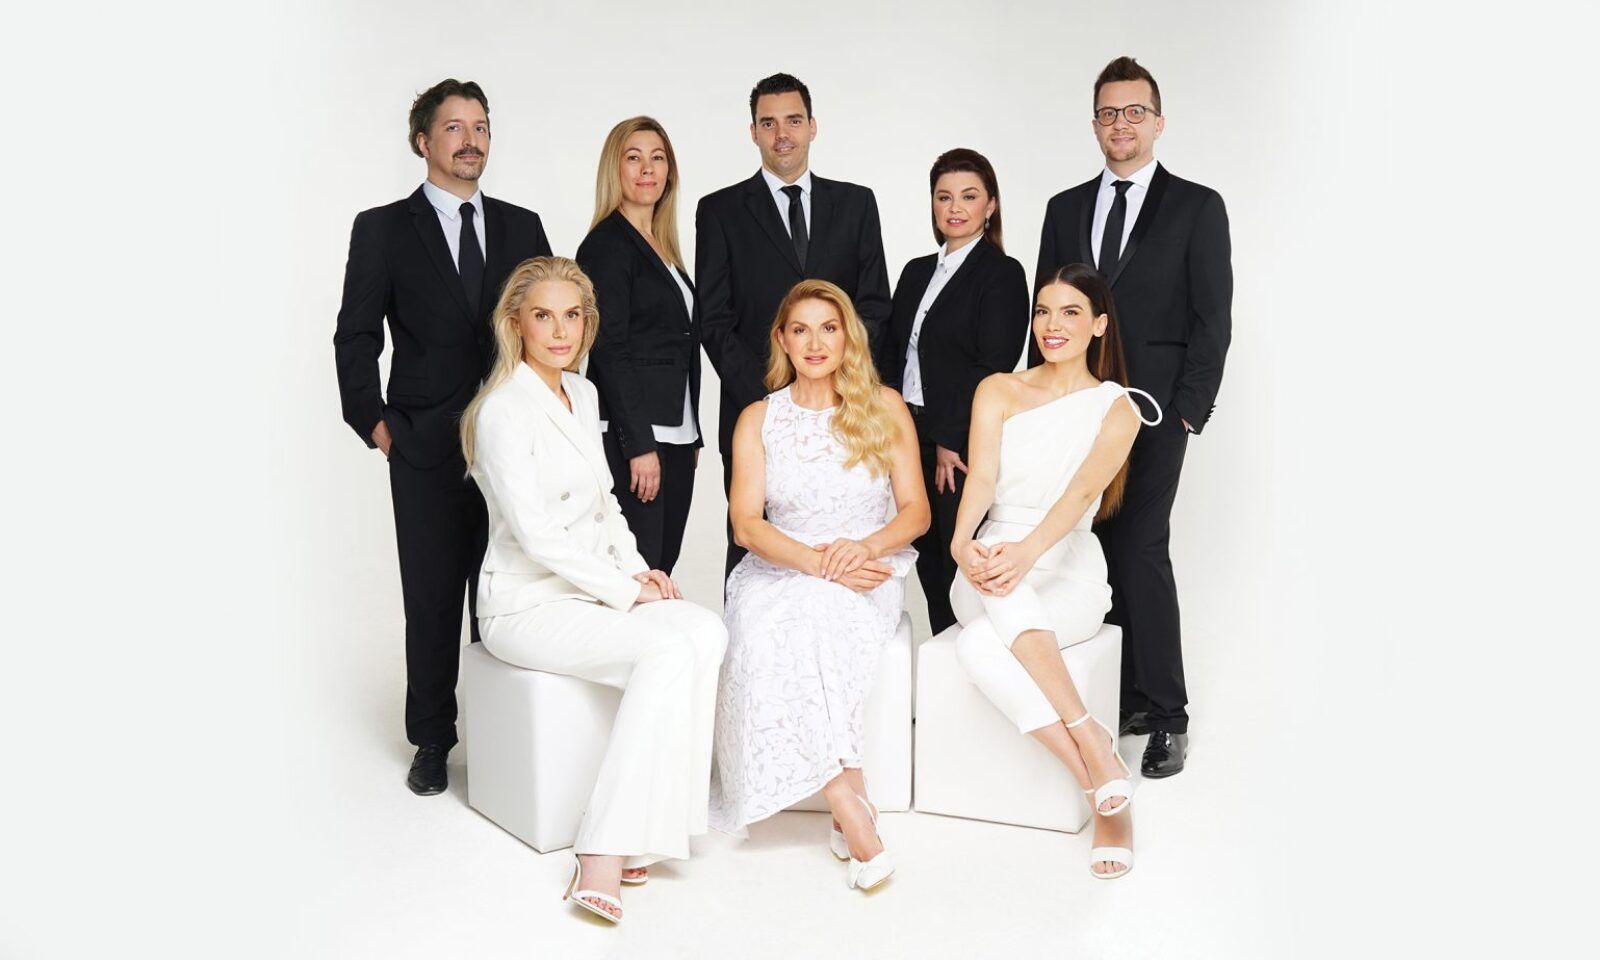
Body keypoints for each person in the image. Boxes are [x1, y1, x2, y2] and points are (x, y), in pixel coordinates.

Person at [461, 257, 727, 924]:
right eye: (543, 316)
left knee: (705, 631)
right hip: (525, 603)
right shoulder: (501, 410)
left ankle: (652, 829)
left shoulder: (582, 394)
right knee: (663, 650)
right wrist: (625, 593)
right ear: (516, 325)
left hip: (588, 590)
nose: (560, 331)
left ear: (587, 323)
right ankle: (603, 844)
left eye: (572, 316)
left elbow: (607, 504)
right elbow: (537, 535)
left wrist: (640, 572)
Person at [333, 79, 553, 796]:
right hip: (423, 444)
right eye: (455, 127)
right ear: (423, 141)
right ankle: (433, 739)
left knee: (509, 590)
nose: (471, 139)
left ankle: (504, 738)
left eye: (481, 126)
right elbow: (356, 334)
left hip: (511, 443)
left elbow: (552, 324)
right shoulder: (383, 229)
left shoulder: (522, 227)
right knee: (430, 597)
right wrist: (376, 424)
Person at [1035, 56, 1233, 777]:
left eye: (1134, 112)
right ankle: (1127, 698)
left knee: (1142, 548)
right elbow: (1046, 316)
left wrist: (1185, 414)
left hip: (1154, 415)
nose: (1121, 124)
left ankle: (1169, 715)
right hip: (1078, 410)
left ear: (1158, 121)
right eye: (1109, 112)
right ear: (1095, 124)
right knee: (1089, 550)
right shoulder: (1063, 209)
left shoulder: (1197, 207)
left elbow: (1213, 319)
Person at [710, 280, 928, 892]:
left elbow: (916, 512)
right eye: (800, 329)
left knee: (818, 615)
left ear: (847, 337)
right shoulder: (759, 418)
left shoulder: (884, 406)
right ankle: (849, 802)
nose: (815, 342)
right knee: (773, 622)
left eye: (828, 328)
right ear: (781, 339)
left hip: (866, 566)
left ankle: (846, 807)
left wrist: (866, 548)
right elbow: (746, 524)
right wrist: (815, 561)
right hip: (779, 566)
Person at [948, 263, 1163, 880]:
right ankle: (1096, 760)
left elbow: (1080, 496)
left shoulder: (1119, 407)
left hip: (1067, 565)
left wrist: (1028, 552)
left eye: (1071, 312)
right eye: (1043, 311)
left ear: (1099, 325)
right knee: (1001, 586)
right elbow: (982, 478)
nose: (1052, 325)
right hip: (990, 558)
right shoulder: (998, 389)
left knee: (979, 647)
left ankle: (1094, 780)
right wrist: (962, 543)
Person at [696, 72, 893, 575]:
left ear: (812, 126)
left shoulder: (857, 204)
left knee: (840, 537)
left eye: (793, 120)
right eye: (768, 123)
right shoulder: (719, 211)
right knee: (751, 544)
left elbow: (873, 306)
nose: (781, 133)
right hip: (755, 404)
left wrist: (839, 382)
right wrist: (769, 398)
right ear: (753, 132)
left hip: (844, 408)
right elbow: (714, 320)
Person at [885, 148, 1029, 635]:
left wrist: (951, 438)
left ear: (991, 205)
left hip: (959, 439)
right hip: (906, 430)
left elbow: (993, 365)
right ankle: (944, 655)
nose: (955, 207)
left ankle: (973, 650)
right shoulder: (915, 272)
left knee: (956, 553)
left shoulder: (1002, 274)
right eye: (944, 197)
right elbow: (892, 354)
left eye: (969, 196)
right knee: (924, 553)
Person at [578, 117, 701, 573]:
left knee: (662, 566)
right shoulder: (606, 245)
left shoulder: (662, 246)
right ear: (615, 169)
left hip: (676, 433)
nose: (647, 168)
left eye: (658, 157)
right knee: (639, 571)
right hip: (636, 436)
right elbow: (609, 349)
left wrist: (690, 433)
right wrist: (639, 445)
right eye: (634, 157)